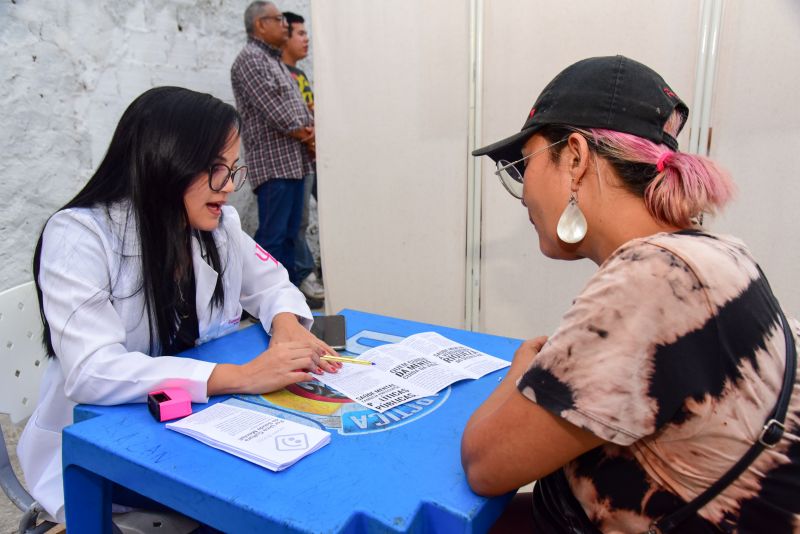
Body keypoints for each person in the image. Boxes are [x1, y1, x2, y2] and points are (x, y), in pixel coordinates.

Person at [462, 56, 800, 533]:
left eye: (523, 167)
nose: (522, 195)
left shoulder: (653, 280)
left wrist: (521, 374)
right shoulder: (716, 253)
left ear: (575, 158)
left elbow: (485, 465)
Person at [18, 86, 341, 523]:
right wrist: (240, 377)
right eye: (215, 169)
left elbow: (271, 284)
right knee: (280, 500)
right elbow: (92, 370)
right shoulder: (80, 236)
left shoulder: (219, 223)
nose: (228, 187)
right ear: (163, 161)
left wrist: (286, 323)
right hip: (109, 450)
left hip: (191, 428)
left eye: (232, 170)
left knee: (316, 466)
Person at [230, 1, 325, 303]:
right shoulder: (250, 60)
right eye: (279, 19)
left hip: (294, 163)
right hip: (274, 166)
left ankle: (287, 299)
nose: (285, 24)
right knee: (272, 238)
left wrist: (307, 137)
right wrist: (310, 137)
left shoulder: (273, 61)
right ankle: (259, 301)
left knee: (290, 236)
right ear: (260, 25)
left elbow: (297, 110)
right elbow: (280, 113)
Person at [282, 10, 324, 303]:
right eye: (300, 33)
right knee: (296, 221)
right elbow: (290, 119)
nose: (306, 39)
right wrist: (310, 138)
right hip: (295, 160)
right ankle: (302, 276)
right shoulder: (280, 74)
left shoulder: (300, 74)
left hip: (313, 157)